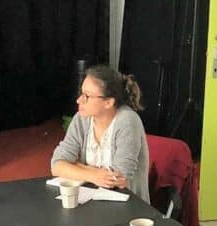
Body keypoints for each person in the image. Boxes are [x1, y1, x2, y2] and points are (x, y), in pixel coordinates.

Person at [51, 64, 150, 203]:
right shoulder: (82, 118)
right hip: (90, 200)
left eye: (87, 96)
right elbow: (57, 165)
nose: (79, 100)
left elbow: (116, 180)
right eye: (81, 93)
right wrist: (94, 174)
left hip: (127, 206)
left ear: (108, 102)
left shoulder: (127, 121)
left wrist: (76, 165)